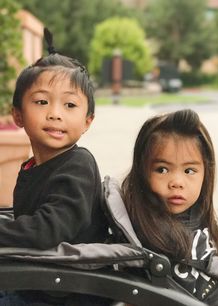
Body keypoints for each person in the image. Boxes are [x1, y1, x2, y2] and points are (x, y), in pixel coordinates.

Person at [0, 28, 109, 305]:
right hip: (35, 280)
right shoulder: (32, 167)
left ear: (87, 121)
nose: (55, 113)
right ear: (18, 115)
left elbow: (46, 230)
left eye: (70, 104)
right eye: (41, 101)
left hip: (65, 293)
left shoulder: (78, 165)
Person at [121, 109, 218, 304]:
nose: (177, 182)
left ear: (206, 173)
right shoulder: (148, 233)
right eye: (162, 169)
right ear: (142, 173)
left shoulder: (195, 213)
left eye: (189, 170)